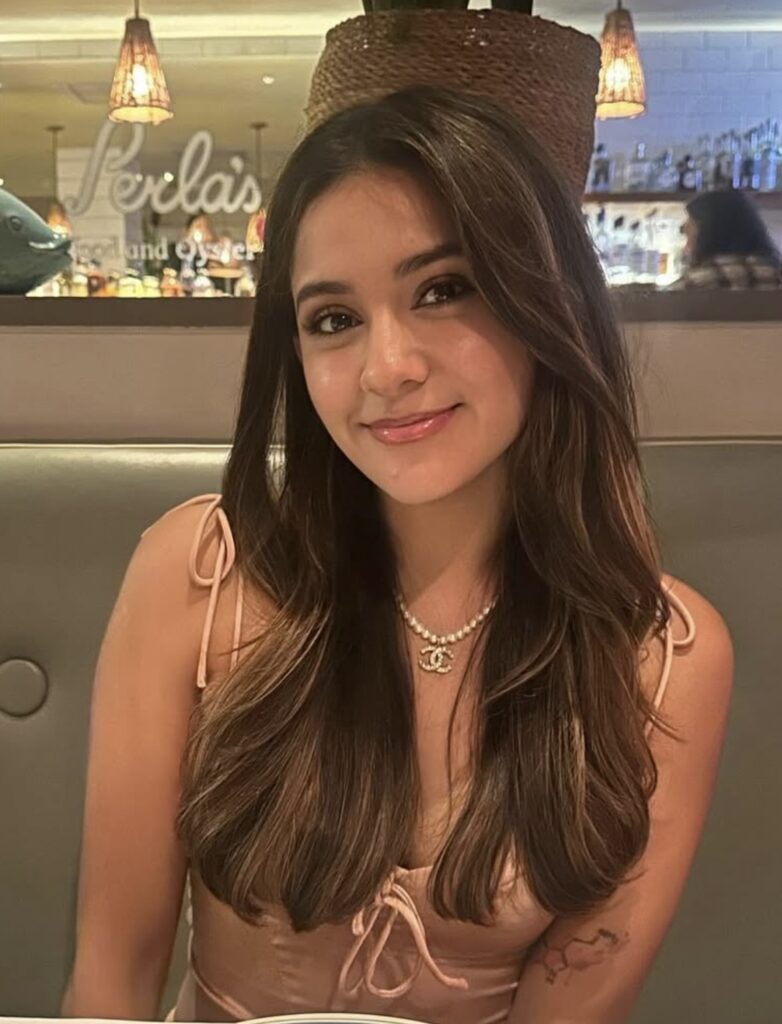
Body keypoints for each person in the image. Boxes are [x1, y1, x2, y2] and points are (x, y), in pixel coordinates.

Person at [61, 85, 733, 1024]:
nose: (387, 369)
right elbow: (110, 983)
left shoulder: (662, 658)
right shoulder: (199, 575)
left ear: (546, 300)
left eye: (443, 290)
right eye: (333, 319)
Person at [671, 189, 782, 289]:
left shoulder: (694, 283)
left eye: (691, 221)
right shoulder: (777, 276)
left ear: (708, 233)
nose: (683, 227)